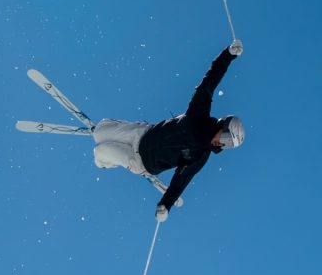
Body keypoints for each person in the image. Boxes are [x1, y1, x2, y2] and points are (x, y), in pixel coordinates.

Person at [92, 40, 245, 221]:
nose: (222, 144)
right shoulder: (199, 114)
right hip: (141, 134)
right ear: (223, 126)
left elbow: (180, 181)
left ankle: (105, 162)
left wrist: (166, 205)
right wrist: (228, 54)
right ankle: (101, 131)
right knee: (99, 131)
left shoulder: (200, 155)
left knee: (100, 151)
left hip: (141, 162)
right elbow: (210, 81)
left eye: (227, 145)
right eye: (226, 138)